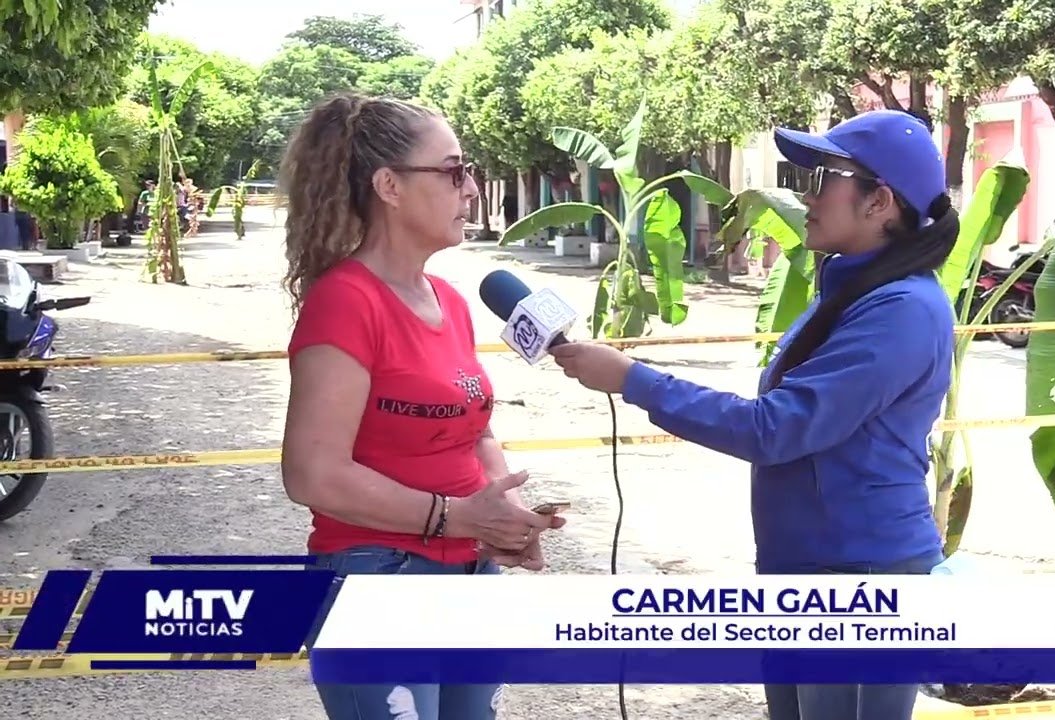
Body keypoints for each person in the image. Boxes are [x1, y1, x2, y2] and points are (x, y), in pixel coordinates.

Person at [549, 109, 960, 720]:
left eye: (824, 180)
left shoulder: (899, 308)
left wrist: (633, 379)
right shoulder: (851, 288)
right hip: (810, 563)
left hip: (858, 573)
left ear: (880, 202)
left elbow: (776, 428)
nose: (807, 197)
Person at [278, 92, 565, 720]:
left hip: (469, 575)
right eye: (455, 170)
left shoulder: (449, 300)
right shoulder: (346, 302)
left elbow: (474, 430)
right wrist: (457, 518)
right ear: (389, 186)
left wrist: (506, 516)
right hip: (378, 578)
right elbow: (313, 475)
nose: (471, 190)